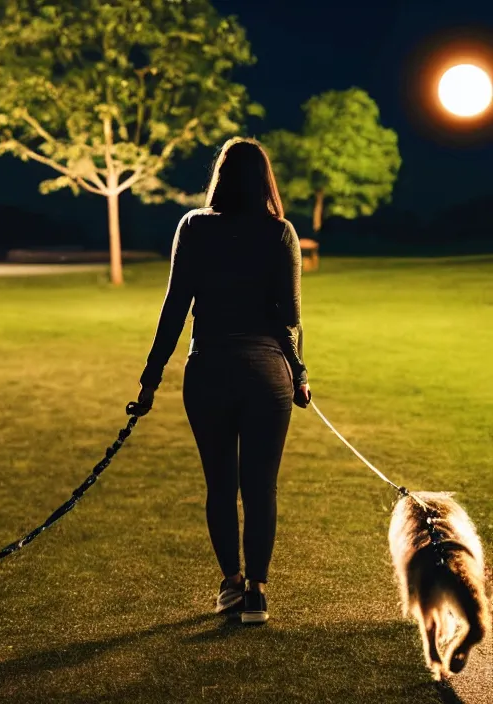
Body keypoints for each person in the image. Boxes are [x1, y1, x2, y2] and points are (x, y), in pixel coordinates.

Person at [136, 137, 311, 625]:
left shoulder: (193, 227)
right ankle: (257, 592)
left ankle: (230, 583)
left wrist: (150, 379)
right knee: (261, 488)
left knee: (221, 485)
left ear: (220, 177)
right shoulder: (280, 233)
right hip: (266, 374)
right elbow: (290, 317)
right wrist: (298, 373)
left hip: (208, 369)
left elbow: (175, 309)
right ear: (265, 181)